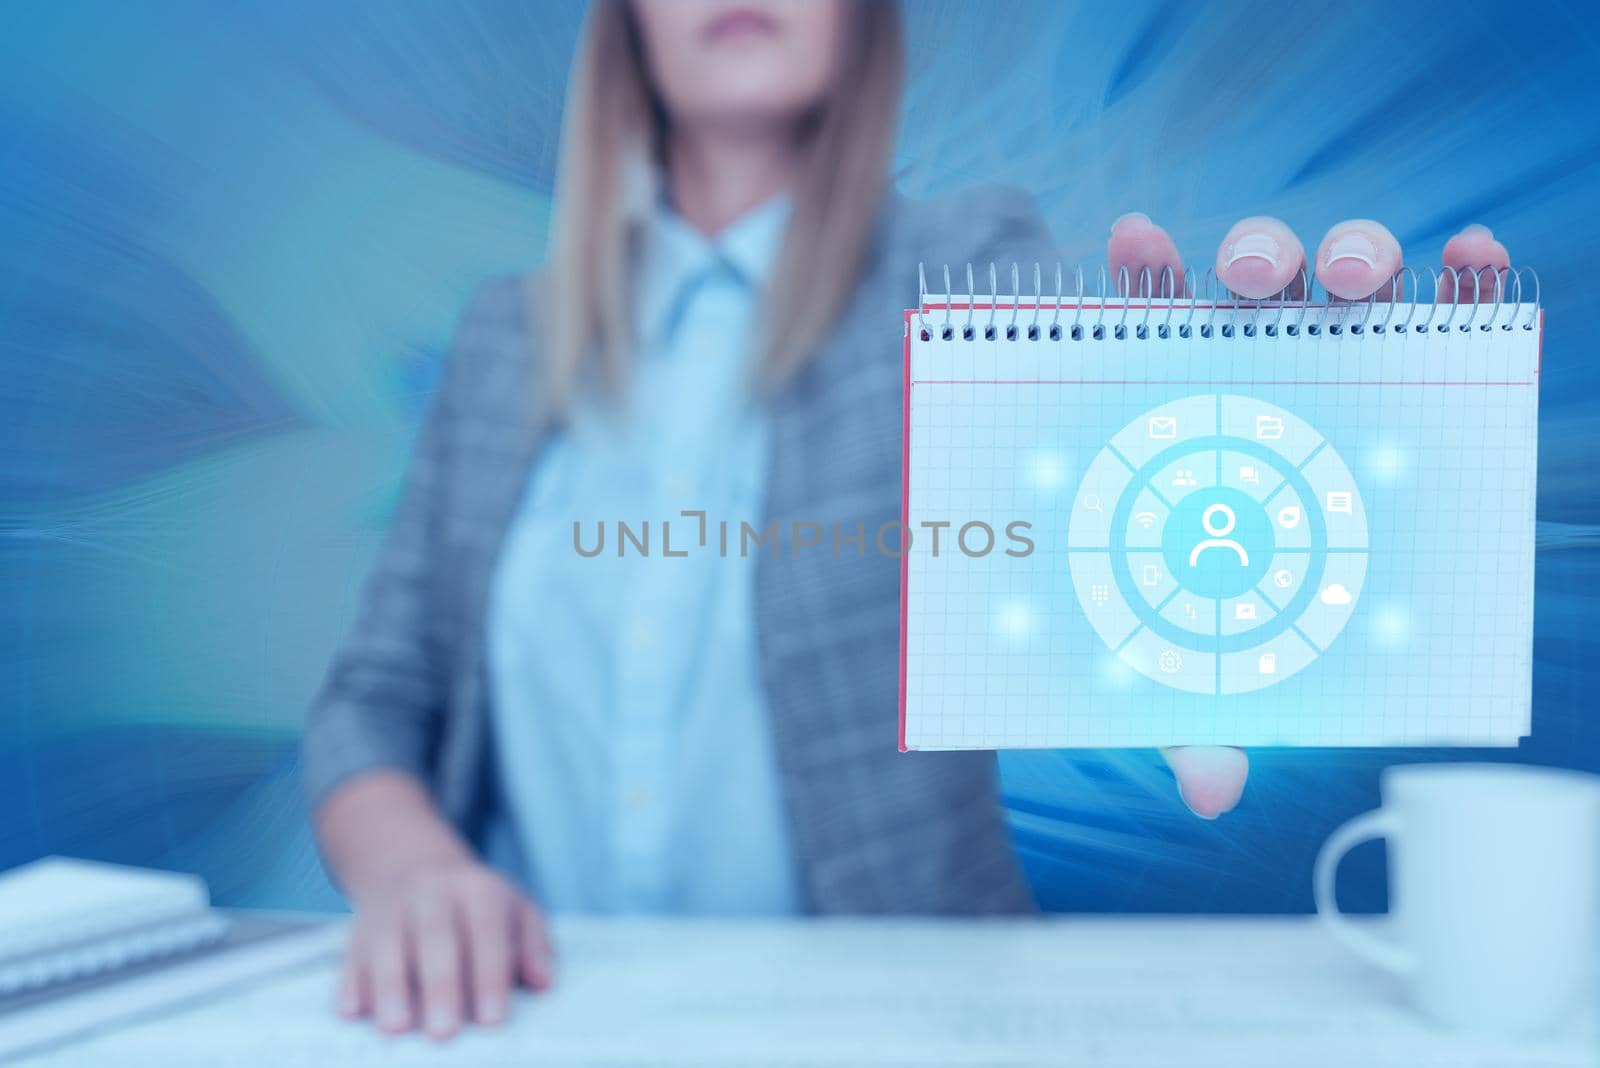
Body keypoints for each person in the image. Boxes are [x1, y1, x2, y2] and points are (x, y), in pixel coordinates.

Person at [302, 0, 1515, 1041]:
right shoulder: (506, 339)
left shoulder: (967, 275)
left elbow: (1105, 484)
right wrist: (410, 868)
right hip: (525, 1022)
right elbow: (374, 697)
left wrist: (1279, 392)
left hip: (894, 1026)